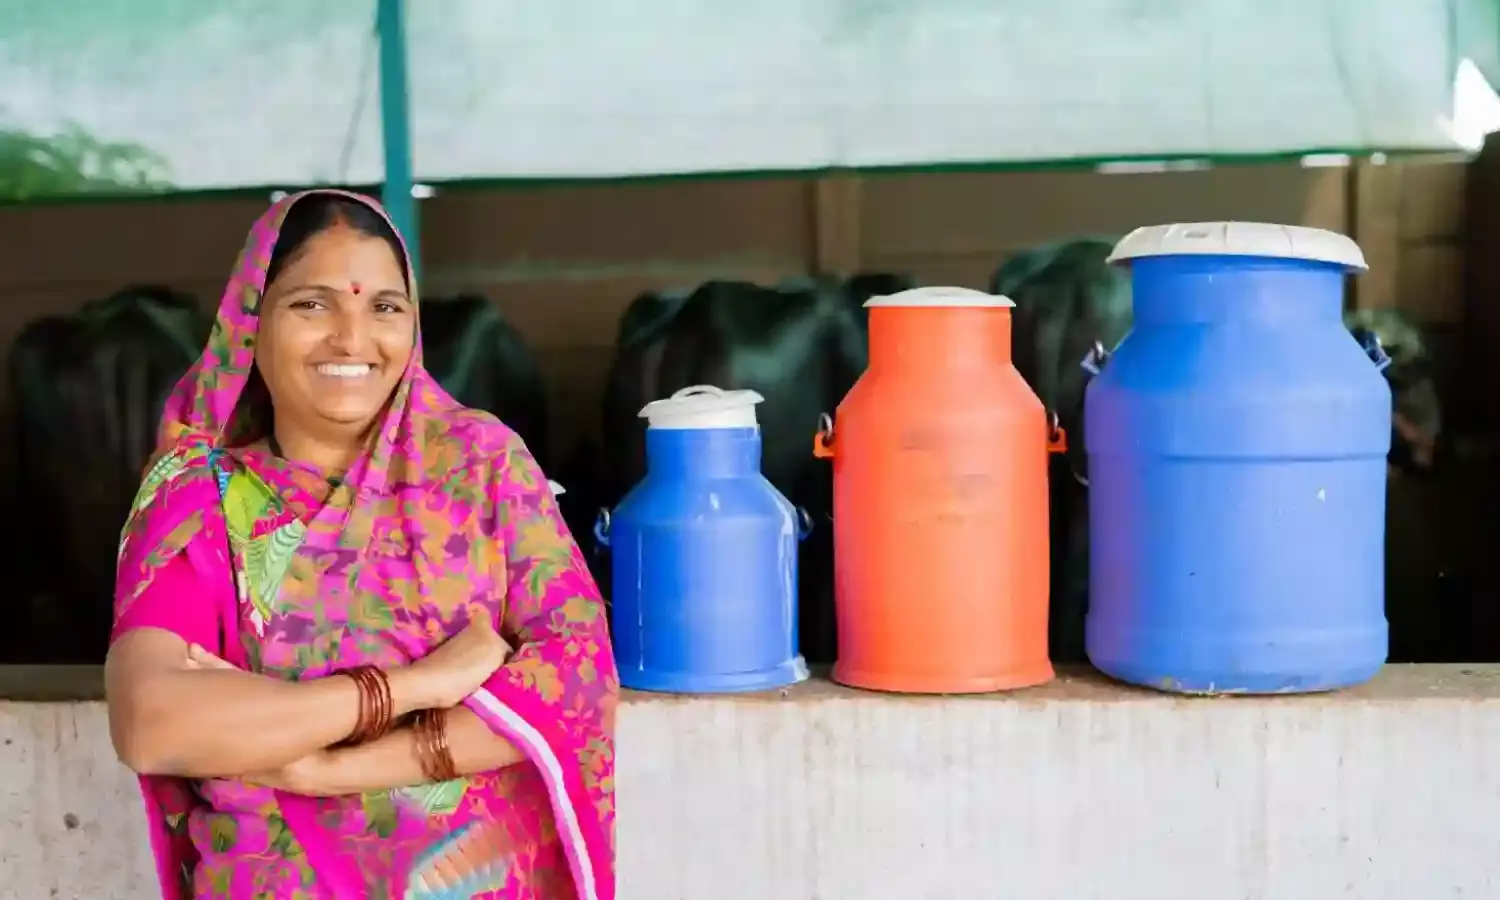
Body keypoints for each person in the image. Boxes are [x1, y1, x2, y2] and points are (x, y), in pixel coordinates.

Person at [105, 189, 617, 900]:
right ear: (252, 323)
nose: (352, 338)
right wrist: (416, 688)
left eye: (384, 307)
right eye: (313, 304)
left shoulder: (481, 466)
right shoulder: (200, 498)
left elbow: (576, 679)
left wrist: (325, 769)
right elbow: (151, 722)